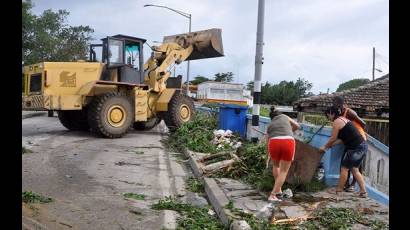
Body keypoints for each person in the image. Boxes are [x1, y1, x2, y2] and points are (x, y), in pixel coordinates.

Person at [319, 106, 368, 198]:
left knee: (344, 169)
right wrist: (328, 147)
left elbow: (333, 138)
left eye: (328, 115)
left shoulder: (337, 122)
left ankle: (339, 191)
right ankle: (363, 192)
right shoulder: (343, 119)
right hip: (362, 146)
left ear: (332, 113)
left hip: (356, 148)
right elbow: (341, 140)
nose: (328, 117)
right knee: (354, 169)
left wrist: (325, 146)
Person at [266, 106, 300, 202]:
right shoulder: (284, 116)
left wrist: (266, 155)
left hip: (273, 142)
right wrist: (289, 131)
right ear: (279, 114)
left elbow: (267, 140)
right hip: (287, 142)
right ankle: (273, 195)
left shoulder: (270, 125)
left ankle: (278, 190)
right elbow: (297, 126)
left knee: (276, 166)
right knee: (284, 171)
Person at [333, 96, 367, 192]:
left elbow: (363, 123)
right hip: (350, 141)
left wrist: (357, 133)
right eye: (334, 104)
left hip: (358, 139)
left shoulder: (349, 112)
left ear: (342, 104)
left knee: (356, 166)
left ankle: (353, 185)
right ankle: (346, 184)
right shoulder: (339, 114)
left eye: (336, 104)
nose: (335, 106)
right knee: (345, 164)